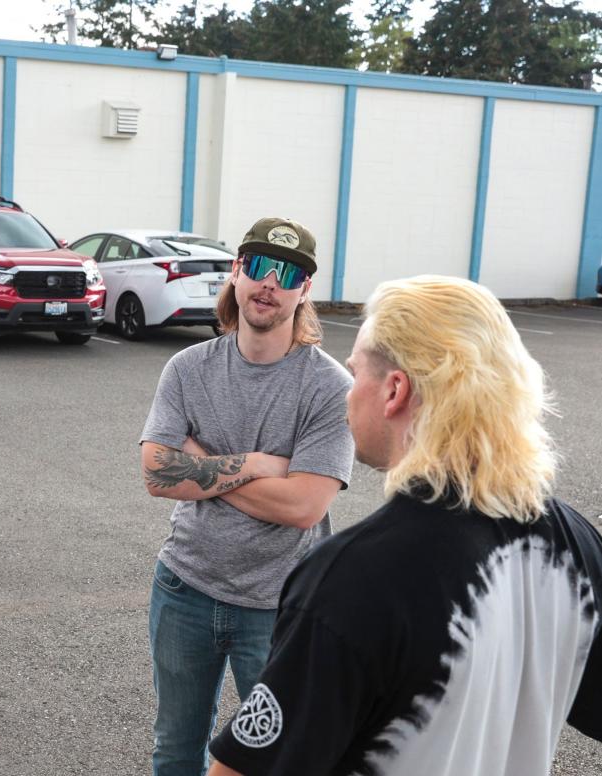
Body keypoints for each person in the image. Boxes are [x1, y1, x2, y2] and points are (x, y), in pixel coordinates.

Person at [208, 275, 602, 775]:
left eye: (356, 375)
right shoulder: (571, 543)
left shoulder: (356, 578)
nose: (348, 395)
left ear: (394, 390)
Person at [139, 217, 355, 776]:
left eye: (288, 274)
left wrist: (201, 463)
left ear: (305, 289)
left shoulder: (330, 388)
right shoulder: (187, 368)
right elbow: (157, 475)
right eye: (258, 266)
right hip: (184, 588)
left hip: (281, 607)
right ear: (236, 274)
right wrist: (261, 467)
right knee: (175, 750)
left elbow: (305, 507)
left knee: (281, 760)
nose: (269, 284)